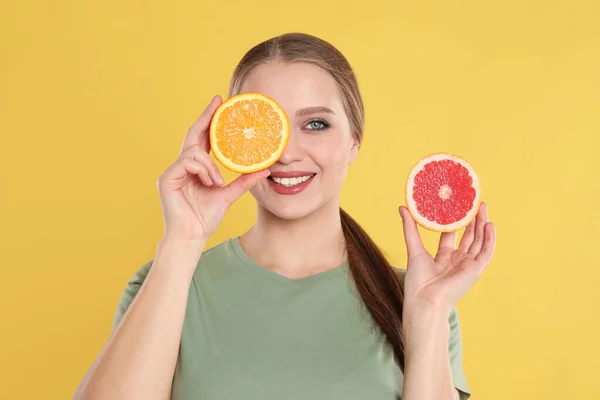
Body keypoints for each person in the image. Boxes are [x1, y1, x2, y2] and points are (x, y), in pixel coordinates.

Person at [74, 32, 496, 400]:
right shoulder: (167, 281)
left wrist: (427, 317)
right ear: (227, 139)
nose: (288, 152)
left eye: (315, 124)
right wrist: (182, 242)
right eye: (264, 126)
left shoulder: (419, 300)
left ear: (354, 143)